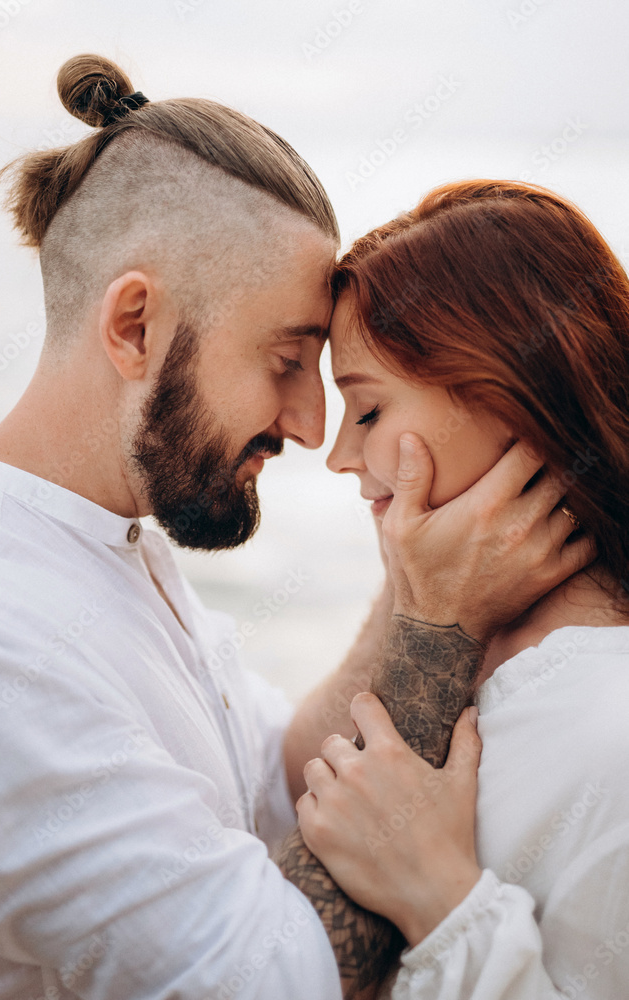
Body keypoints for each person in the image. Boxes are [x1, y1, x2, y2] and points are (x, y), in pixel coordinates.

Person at [0, 53, 589, 999]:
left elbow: (282, 777)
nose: (307, 425)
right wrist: (439, 631)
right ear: (135, 326)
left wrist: (415, 574)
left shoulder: (97, 538)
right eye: (287, 359)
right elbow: (278, 978)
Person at [297, 179, 629, 999]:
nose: (338, 455)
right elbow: (295, 775)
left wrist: (442, 901)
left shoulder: (612, 736)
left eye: (368, 411)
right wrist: (424, 599)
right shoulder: (478, 643)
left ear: (505, 395)